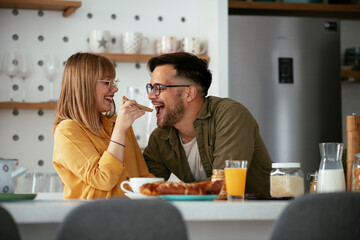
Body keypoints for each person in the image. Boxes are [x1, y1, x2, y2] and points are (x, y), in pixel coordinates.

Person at [143, 52, 272, 197]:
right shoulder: (161, 137)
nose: (151, 96)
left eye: (159, 88)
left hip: (254, 214)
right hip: (203, 215)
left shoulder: (230, 115)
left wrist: (173, 189)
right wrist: (121, 130)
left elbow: (223, 185)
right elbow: (143, 186)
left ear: (189, 93)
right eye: (151, 87)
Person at [52, 52, 154, 199]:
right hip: (94, 218)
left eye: (114, 82)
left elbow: (143, 176)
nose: (115, 89)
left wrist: (176, 190)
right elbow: (103, 179)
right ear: (84, 86)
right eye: (107, 83)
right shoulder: (67, 131)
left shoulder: (119, 125)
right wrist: (119, 129)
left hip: (132, 216)